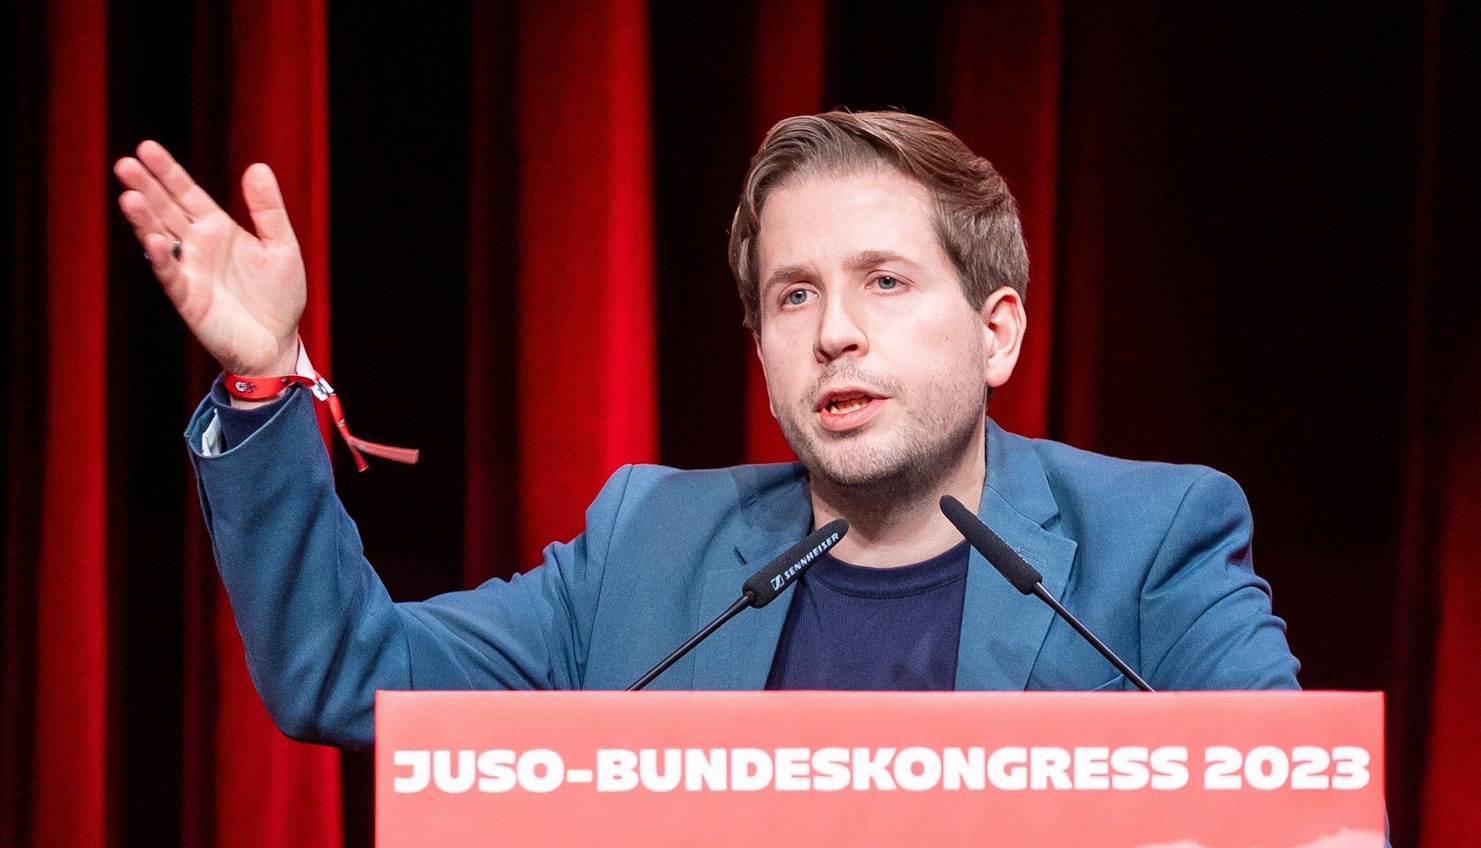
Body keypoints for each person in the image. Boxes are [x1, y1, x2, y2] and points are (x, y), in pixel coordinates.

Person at [114, 111, 1300, 749]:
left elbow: (1312, 842)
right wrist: (268, 374)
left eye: (885, 281)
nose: (835, 331)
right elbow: (345, 674)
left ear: (998, 333)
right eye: (794, 296)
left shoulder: (1153, 542)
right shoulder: (650, 544)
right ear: (764, 354)